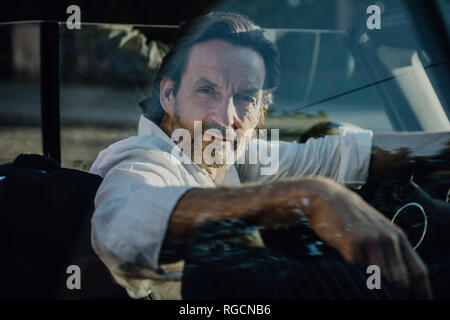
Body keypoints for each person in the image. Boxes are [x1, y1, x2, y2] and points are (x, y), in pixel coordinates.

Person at [89, 12, 448, 299]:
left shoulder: (233, 158)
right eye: (206, 90)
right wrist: (311, 197)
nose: (225, 117)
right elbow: (121, 231)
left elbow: (339, 154)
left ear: (261, 111)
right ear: (168, 96)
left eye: (244, 98)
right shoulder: (141, 158)